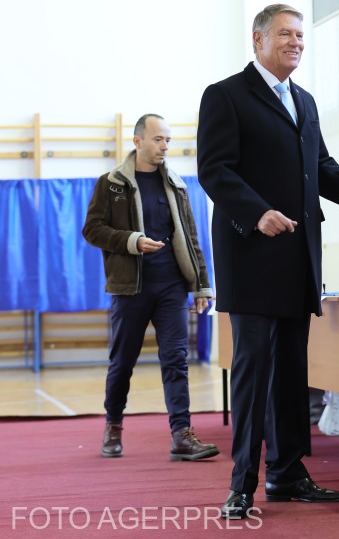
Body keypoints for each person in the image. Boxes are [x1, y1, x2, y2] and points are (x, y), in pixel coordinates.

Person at [196, 3, 339, 520]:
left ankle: (286, 473)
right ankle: (242, 482)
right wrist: (256, 212)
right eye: (285, 33)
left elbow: (317, 165)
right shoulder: (226, 95)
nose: (295, 42)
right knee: (253, 374)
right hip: (251, 257)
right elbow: (214, 169)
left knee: (291, 373)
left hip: (298, 258)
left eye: (300, 35)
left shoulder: (304, 100)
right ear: (257, 39)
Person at [82, 114, 218, 462]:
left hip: (172, 287)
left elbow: (190, 237)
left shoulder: (177, 184)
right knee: (122, 362)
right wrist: (132, 241)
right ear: (138, 141)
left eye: (168, 140)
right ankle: (113, 427)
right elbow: (92, 230)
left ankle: (181, 435)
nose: (165, 146)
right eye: (158, 139)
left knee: (176, 360)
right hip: (130, 288)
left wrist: (201, 286)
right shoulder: (111, 183)